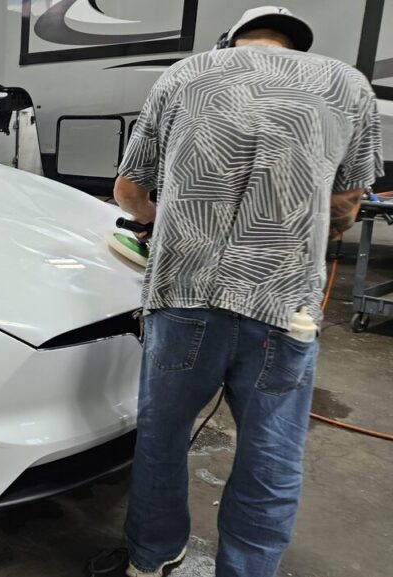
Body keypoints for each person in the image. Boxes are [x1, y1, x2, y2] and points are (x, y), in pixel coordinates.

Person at [112, 6, 384, 577]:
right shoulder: (347, 84)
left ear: (231, 40)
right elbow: (347, 201)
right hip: (283, 304)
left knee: (162, 441)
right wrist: (314, 235)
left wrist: (160, 219)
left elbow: (130, 189)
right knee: (271, 457)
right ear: (297, 45)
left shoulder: (184, 74)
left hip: (185, 294)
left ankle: (153, 558)